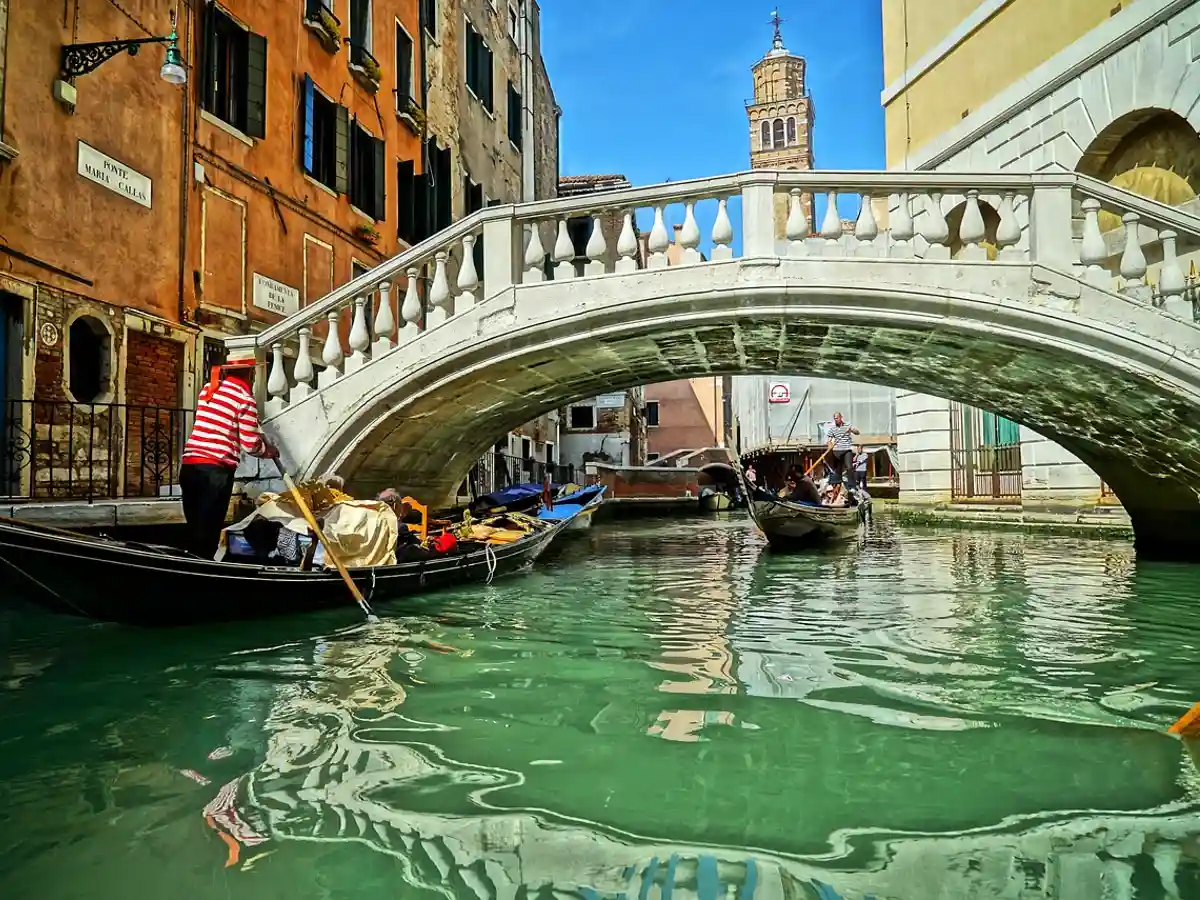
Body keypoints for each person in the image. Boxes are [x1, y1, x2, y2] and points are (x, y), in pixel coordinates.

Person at [180, 357, 278, 559]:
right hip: (215, 472)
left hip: (190, 466)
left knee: (195, 529)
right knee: (208, 533)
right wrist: (269, 452)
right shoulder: (245, 399)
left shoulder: (208, 389)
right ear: (250, 374)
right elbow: (251, 445)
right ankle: (202, 577)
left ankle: (192, 575)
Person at [824, 412, 859, 499]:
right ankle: (836, 489)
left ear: (841, 418)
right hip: (837, 451)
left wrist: (851, 430)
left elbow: (857, 432)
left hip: (847, 449)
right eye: (835, 418)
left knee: (849, 467)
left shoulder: (847, 425)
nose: (836, 420)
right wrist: (829, 445)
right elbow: (828, 440)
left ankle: (852, 486)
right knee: (837, 471)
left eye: (837, 418)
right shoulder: (832, 429)